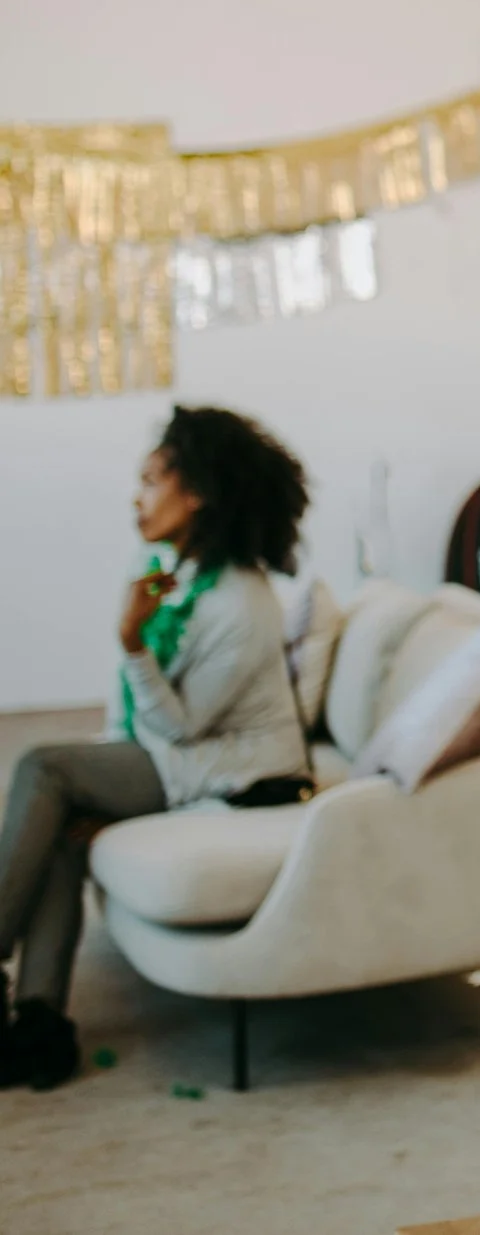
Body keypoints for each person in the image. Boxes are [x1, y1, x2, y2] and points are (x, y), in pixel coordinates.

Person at [0, 405, 311, 1089]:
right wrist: (107, 761)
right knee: (55, 814)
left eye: (149, 480)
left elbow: (180, 727)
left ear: (195, 491)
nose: (135, 496)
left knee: (40, 765)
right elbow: (138, 718)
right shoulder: (175, 576)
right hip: (180, 757)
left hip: (231, 772)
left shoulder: (239, 600)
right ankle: (40, 1027)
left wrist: (132, 639)